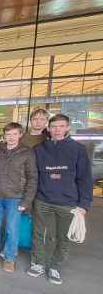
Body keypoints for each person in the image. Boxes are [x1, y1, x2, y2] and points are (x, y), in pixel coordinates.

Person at [27, 114, 93, 285]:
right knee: (38, 234)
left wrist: (84, 204)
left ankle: (55, 266)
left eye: (61, 126)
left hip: (68, 203)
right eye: (54, 126)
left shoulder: (78, 149)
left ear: (67, 128)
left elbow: (85, 178)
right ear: (48, 129)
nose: (57, 130)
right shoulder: (39, 150)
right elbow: (33, 176)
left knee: (62, 237)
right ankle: (38, 263)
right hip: (42, 200)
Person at [0, 122, 38, 273]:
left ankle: (10, 259)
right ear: (4, 135)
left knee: (12, 229)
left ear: (20, 135)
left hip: (15, 198)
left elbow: (32, 178)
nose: (10, 137)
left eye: (14, 134)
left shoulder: (27, 152)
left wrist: (26, 201)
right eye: (8, 134)